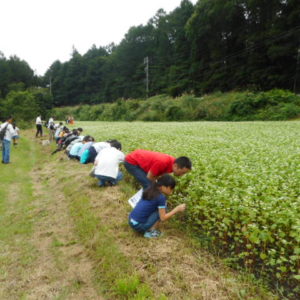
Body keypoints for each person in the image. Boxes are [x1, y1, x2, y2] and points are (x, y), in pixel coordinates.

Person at [128, 174, 186, 238]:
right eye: (171, 189)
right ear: (164, 187)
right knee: (164, 209)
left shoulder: (151, 188)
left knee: (161, 207)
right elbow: (163, 218)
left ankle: (148, 227)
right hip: (138, 226)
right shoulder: (161, 197)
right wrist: (177, 209)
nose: (172, 191)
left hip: (131, 220)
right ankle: (150, 232)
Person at [124, 149, 192, 189]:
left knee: (153, 185)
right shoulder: (163, 162)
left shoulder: (172, 164)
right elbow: (150, 177)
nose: (182, 175)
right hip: (131, 162)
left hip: (139, 160)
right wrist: (159, 186)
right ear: (176, 166)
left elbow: (157, 175)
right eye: (183, 172)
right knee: (149, 186)